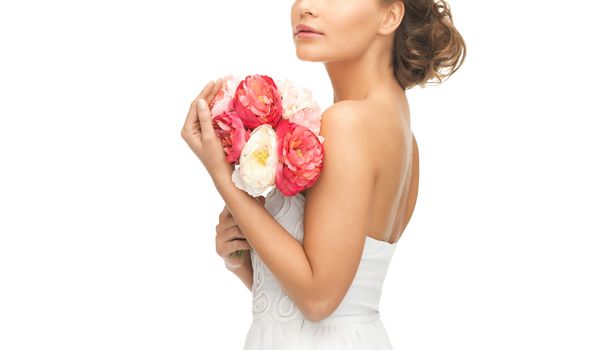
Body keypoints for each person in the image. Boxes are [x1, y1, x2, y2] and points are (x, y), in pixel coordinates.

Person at [181, 0, 466, 348]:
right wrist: (245, 260)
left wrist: (222, 176)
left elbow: (318, 299)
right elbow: (341, 294)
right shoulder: (403, 134)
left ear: (390, 16)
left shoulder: (347, 122)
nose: (306, 7)